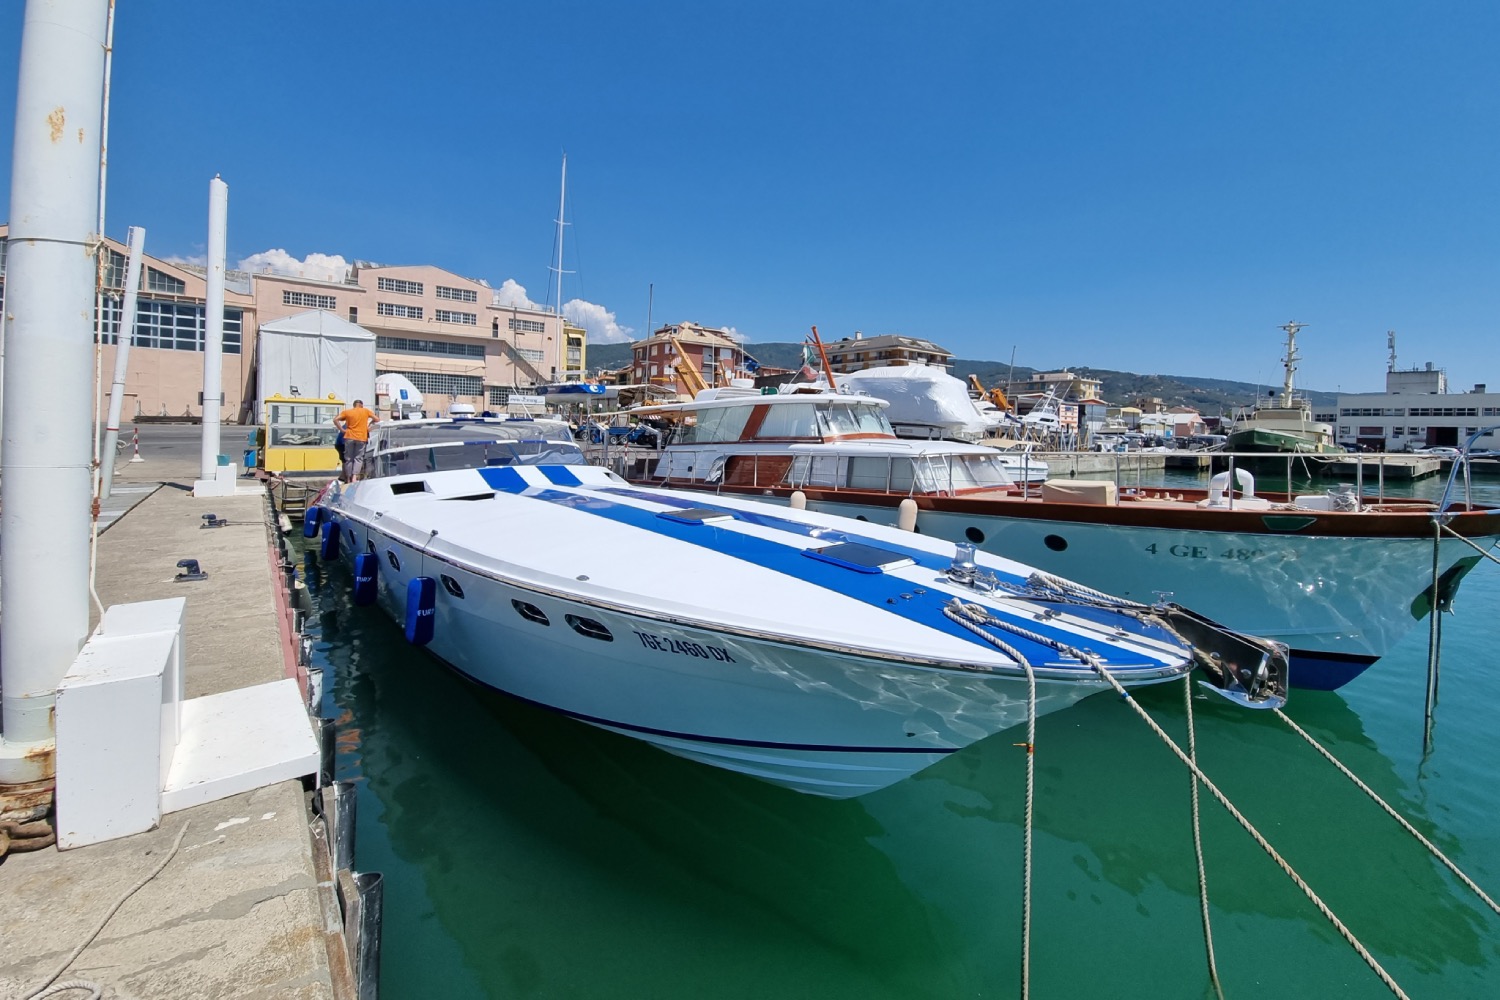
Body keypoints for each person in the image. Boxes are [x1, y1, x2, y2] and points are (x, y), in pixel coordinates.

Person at [333, 398, 379, 482]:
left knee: (349, 458)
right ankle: (354, 477)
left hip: (349, 437)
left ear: (354, 405)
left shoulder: (347, 412)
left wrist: (342, 430)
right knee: (358, 458)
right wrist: (369, 424)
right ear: (361, 405)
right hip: (361, 437)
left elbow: (335, 419)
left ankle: (348, 478)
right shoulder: (365, 411)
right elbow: (377, 419)